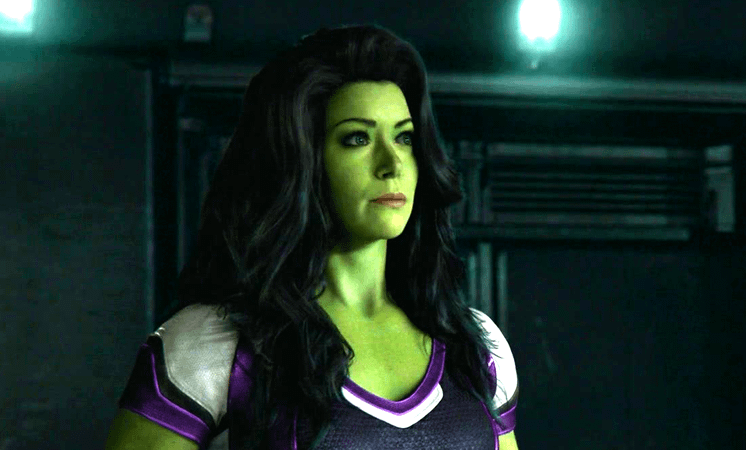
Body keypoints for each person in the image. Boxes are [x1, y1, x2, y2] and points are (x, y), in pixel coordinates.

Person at [104, 23, 519, 450]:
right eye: (357, 138)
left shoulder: (479, 349)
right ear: (302, 161)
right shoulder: (213, 348)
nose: (391, 164)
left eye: (404, 138)